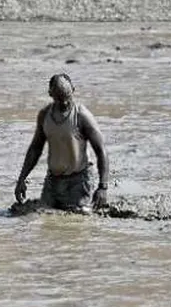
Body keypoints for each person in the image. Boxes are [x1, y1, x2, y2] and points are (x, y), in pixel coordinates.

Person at [13, 74, 110, 214]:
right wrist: (22, 179)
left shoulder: (82, 115)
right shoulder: (45, 115)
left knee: (78, 218)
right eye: (59, 98)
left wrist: (103, 187)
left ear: (73, 90)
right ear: (50, 94)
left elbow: (101, 151)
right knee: (42, 219)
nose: (64, 102)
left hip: (79, 181)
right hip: (53, 182)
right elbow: (35, 149)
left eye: (67, 97)